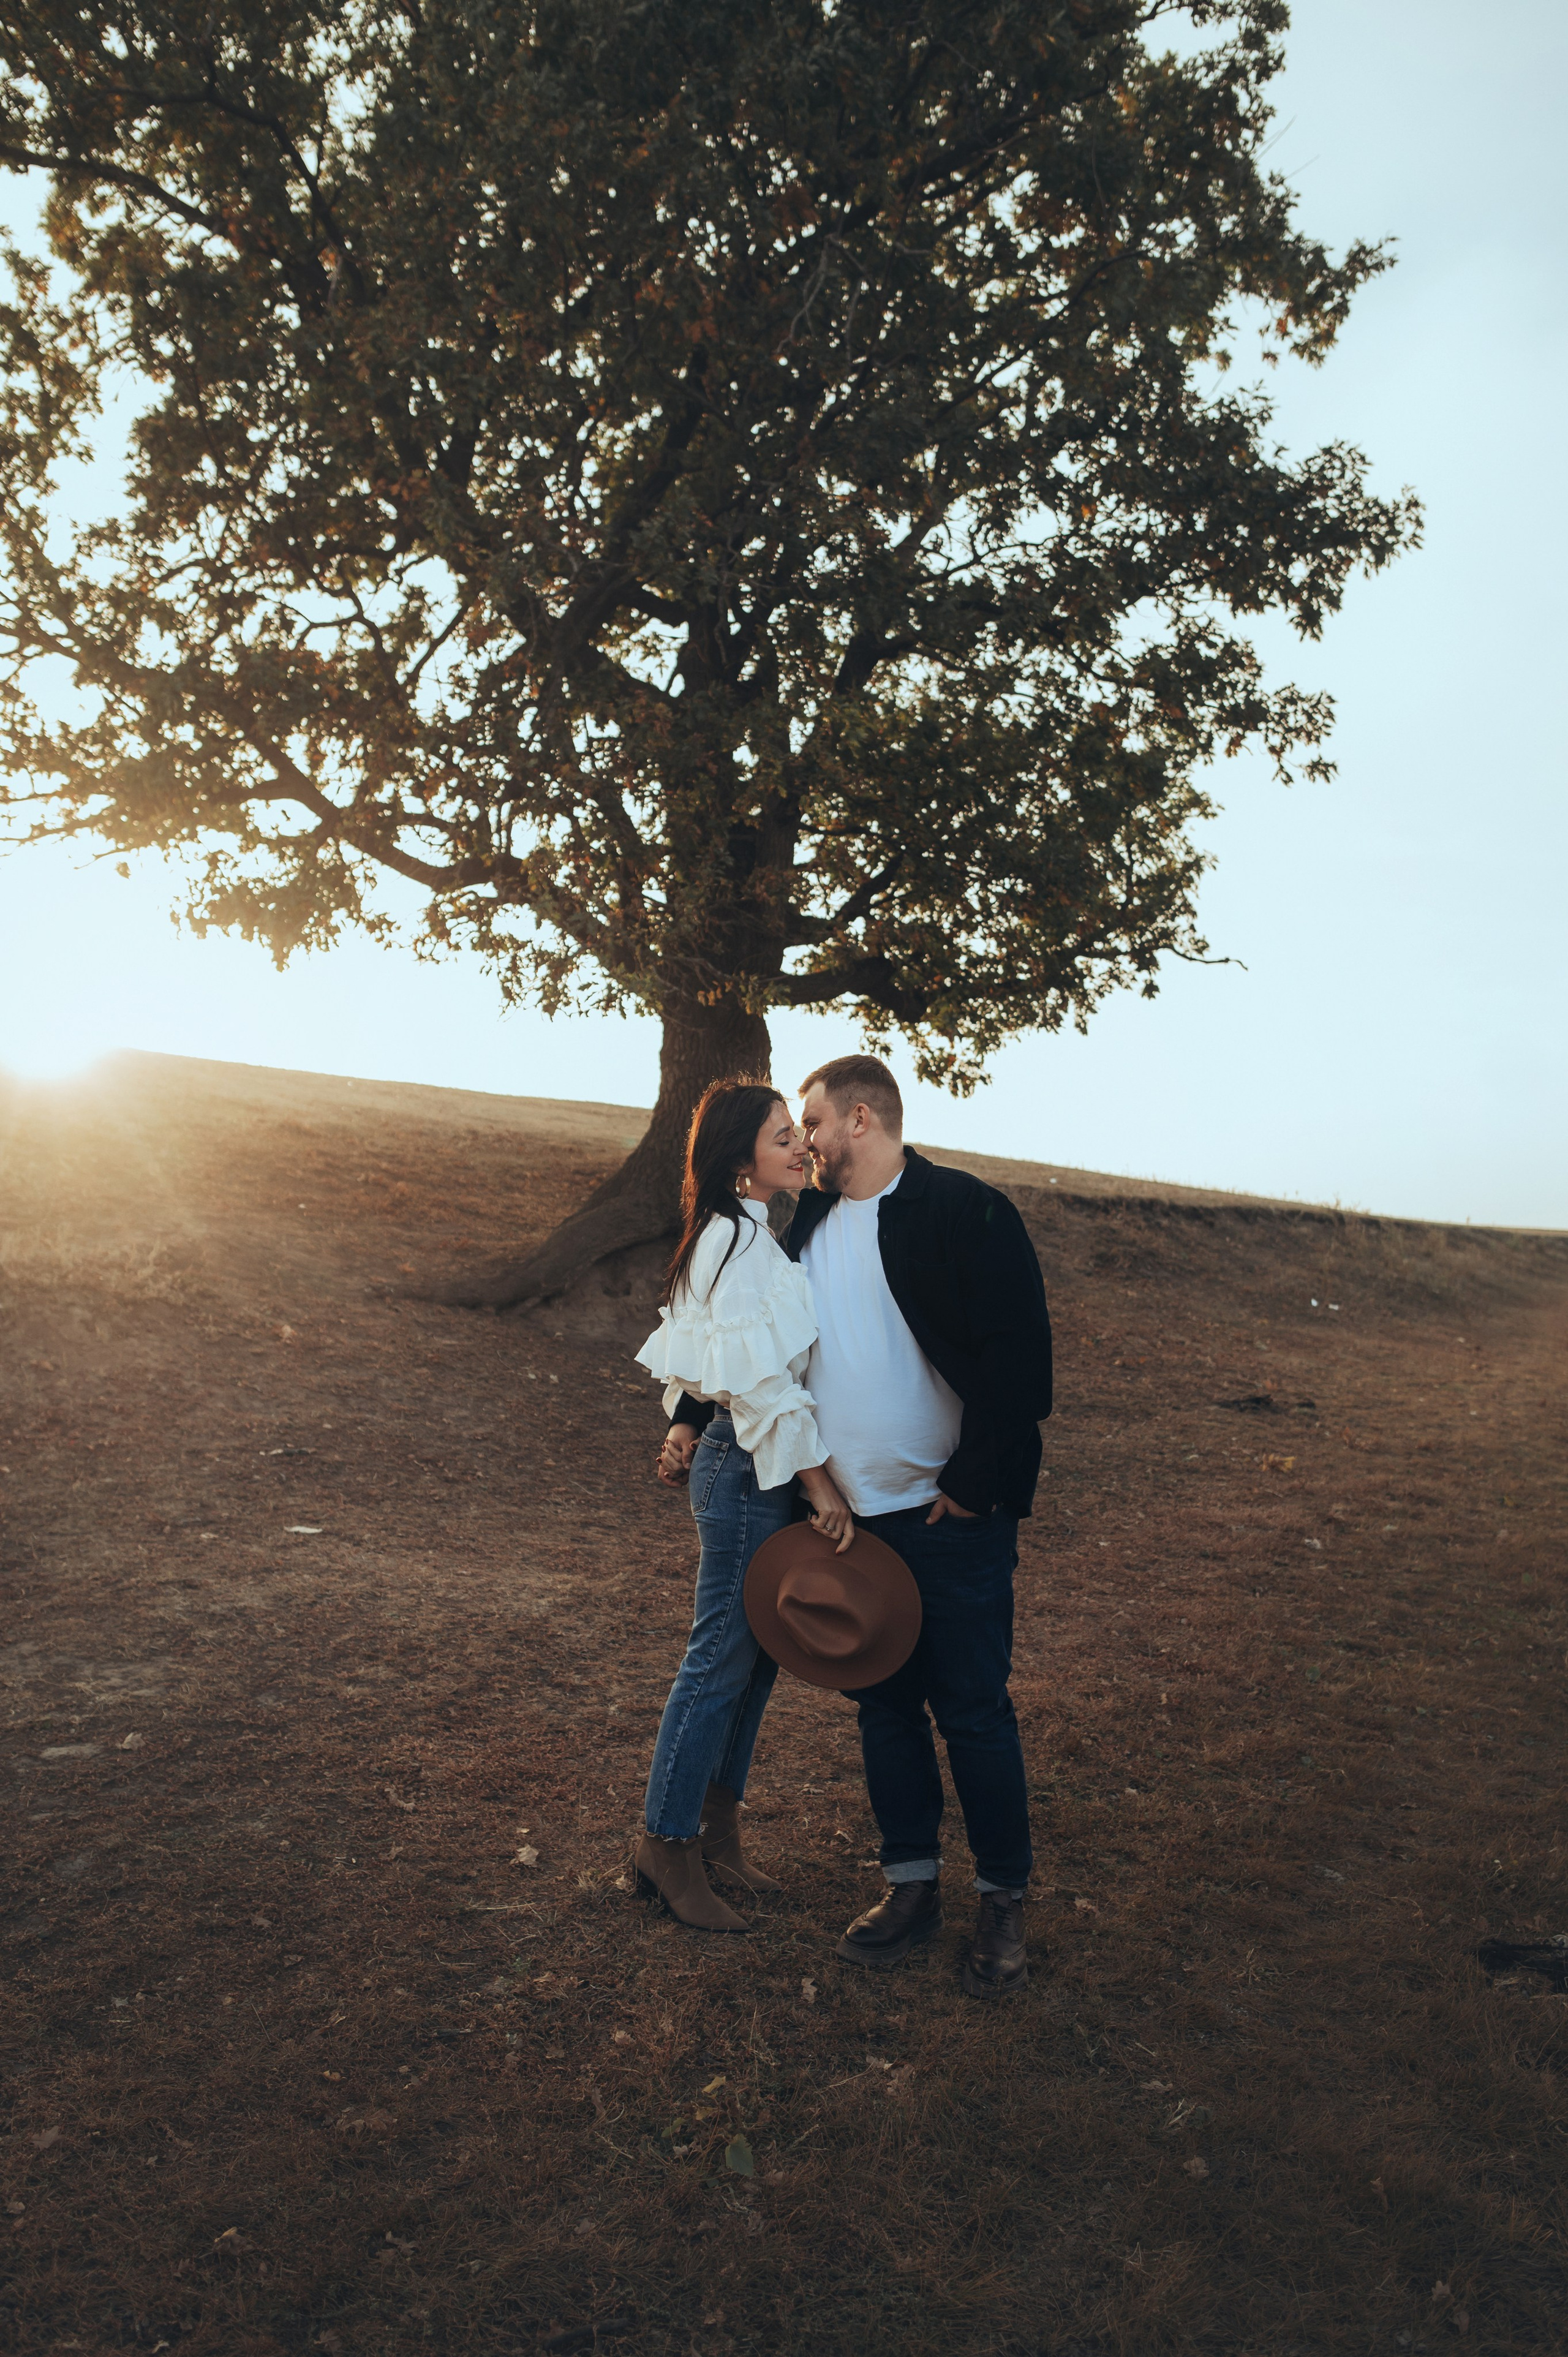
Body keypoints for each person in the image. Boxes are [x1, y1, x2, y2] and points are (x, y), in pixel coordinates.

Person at [791, 1053, 1052, 1997]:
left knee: (974, 1713)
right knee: (886, 1710)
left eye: (813, 1123)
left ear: (860, 1119)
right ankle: (911, 1886)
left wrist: (975, 1490)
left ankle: (1002, 1901)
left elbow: (1020, 1364)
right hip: (853, 1527)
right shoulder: (803, 1225)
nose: (805, 1143)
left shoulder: (965, 1210)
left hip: (951, 1522)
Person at [633, 1080, 853, 1933]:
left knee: (755, 1661)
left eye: (797, 1132)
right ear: (740, 1161)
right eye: (781, 1136)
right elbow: (756, 1384)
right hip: (748, 1466)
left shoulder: (750, 1235)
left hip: (746, 1460)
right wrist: (819, 1484)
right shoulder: (733, 1239)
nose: (801, 1146)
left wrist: (684, 1427)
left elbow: (713, 1359)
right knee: (720, 1660)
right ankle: (667, 1845)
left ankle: (717, 1838)